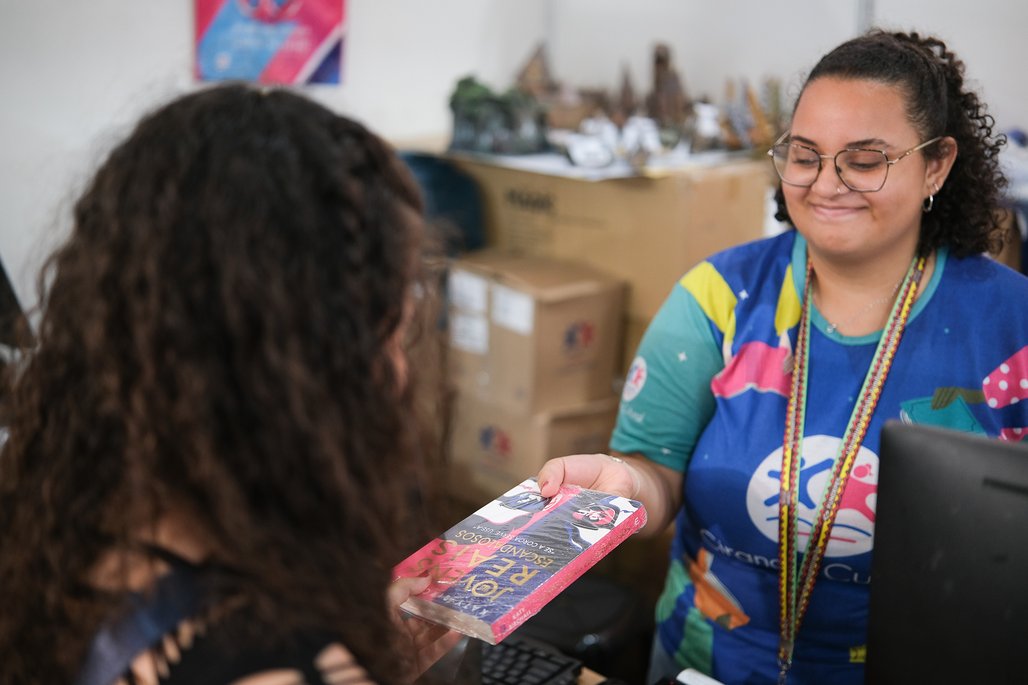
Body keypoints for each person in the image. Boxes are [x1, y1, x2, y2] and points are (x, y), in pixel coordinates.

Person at [537, 29, 1028, 685]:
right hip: (705, 663)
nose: (826, 184)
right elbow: (657, 473)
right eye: (804, 155)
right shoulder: (719, 298)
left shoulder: (1011, 326)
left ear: (936, 164)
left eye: (864, 160)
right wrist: (627, 486)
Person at [0, 84, 461, 684]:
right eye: (391, 337)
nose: (399, 371)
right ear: (308, 375)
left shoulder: (51, 518)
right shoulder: (277, 660)